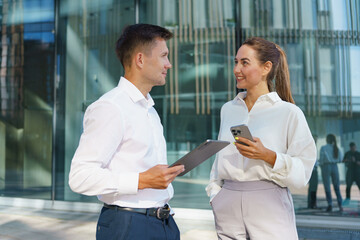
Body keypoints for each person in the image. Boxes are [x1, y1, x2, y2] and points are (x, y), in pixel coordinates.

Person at [68, 24, 185, 240]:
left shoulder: (149, 108)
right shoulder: (110, 108)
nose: (169, 64)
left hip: (164, 222)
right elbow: (80, 177)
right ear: (140, 60)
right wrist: (141, 180)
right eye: (164, 56)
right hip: (128, 225)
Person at [206, 37, 316, 240]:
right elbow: (220, 159)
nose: (237, 69)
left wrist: (269, 156)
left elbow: (303, 172)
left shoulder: (288, 112)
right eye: (236, 62)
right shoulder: (228, 109)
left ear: (266, 67)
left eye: (244, 63)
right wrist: (216, 194)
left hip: (269, 204)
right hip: (227, 204)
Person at [319, 134, 343, 212]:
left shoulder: (323, 148)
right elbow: (340, 159)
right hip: (335, 166)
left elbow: (322, 159)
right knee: (337, 186)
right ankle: (340, 204)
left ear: (327, 139)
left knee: (327, 186)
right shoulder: (336, 148)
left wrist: (321, 165)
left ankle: (330, 204)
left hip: (326, 166)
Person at [308, 135, 319, 209]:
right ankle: (311, 204)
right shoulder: (309, 148)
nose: (316, 141)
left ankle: (313, 203)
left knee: (314, 187)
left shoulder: (315, 147)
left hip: (315, 169)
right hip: (312, 169)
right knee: (312, 187)